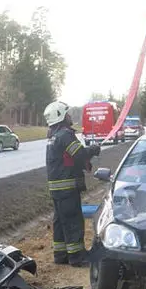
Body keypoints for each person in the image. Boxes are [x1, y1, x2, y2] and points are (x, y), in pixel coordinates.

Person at [43, 100, 100, 267]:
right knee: (73, 221)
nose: (69, 116)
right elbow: (79, 154)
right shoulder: (65, 135)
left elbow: (67, 158)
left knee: (60, 222)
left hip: (57, 189)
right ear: (60, 116)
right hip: (67, 188)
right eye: (67, 113)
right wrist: (94, 150)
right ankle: (77, 257)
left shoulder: (53, 136)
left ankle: (61, 255)